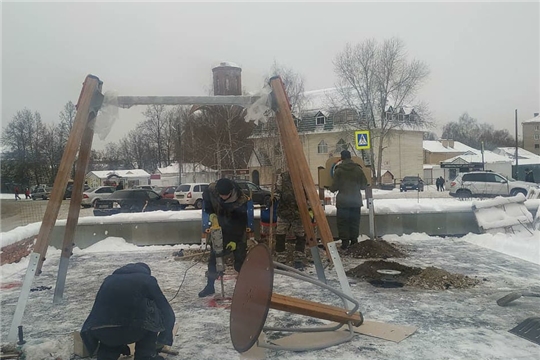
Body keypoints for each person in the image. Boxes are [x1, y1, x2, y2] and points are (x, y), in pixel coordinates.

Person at [80, 262, 175, 360]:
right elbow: (166, 311)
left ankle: (109, 354)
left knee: (110, 335)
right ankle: (145, 356)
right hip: (133, 330)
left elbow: (108, 313)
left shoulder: (108, 280)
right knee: (153, 313)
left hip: (100, 332)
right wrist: (163, 339)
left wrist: (120, 343)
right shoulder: (147, 280)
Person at [198, 178, 249, 297]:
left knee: (240, 262)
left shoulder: (241, 201)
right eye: (221, 195)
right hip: (219, 228)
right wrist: (211, 213)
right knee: (213, 259)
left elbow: (241, 223)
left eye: (226, 195)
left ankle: (246, 287)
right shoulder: (212, 189)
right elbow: (206, 197)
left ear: (231, 191)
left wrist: (234, 241)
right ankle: (210, 286)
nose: (223, 197)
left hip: (236, 230)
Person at [328, 150, 368, 250]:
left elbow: (335, 186)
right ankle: (354, 241)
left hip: (343, 202)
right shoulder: (358, 169)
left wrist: (330, 188)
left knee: (343, 222)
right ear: (350, 157)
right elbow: (364, 185)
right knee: (354, 221)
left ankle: (345, 242)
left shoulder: (339, 170)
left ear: (342, 158)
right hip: (355, 201)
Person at [271, 171, 307, 269]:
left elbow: (308, 192)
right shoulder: (283, 177)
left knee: (300, 236)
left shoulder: (303, 176)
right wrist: (274, 198)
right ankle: (281, 259)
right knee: (280, 235)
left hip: (298, 212)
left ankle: (298, 259)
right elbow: (278, 190)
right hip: (284, 211)